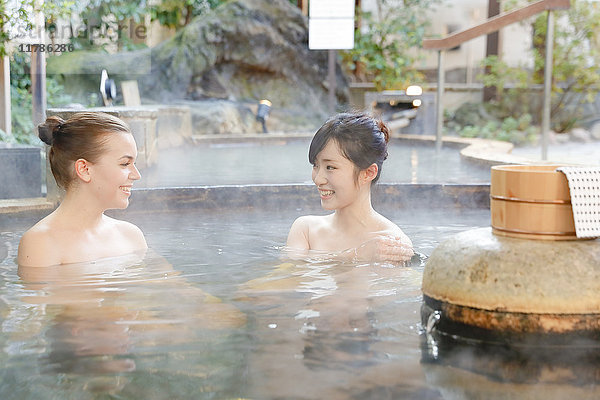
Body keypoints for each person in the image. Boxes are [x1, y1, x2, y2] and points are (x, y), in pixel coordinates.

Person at [17, 112, 147, 267]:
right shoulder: (42, 244)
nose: (136, 175)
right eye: (125, 164)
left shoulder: (130, 236)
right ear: (84, 169)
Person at [286, 112, 413, 264]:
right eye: (316, 165)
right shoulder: (306, 230)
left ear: (368, 173)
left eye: (330, 167)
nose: (318, 179)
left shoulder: (390, 245)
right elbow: (288, 278)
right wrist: (357, 255)